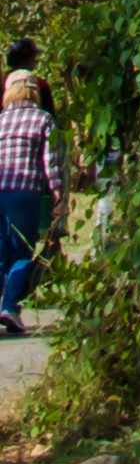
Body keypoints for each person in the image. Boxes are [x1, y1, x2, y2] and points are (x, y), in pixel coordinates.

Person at [0, 67, 61, 331]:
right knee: (22, 252)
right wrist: (59, 196)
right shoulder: (43, 119)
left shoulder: (0, 120)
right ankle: (10, 308)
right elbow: (52, 163)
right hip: (26, 195)